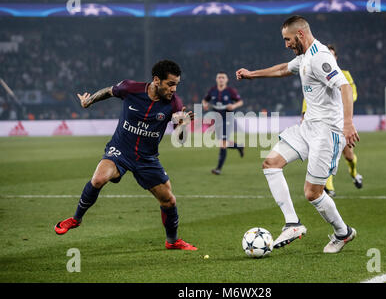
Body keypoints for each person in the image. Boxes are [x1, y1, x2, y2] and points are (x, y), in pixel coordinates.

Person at [236, 15, 359, 253]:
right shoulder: (305, 56)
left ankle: (342, 233)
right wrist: (253, 74)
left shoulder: (320, 57)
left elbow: (344, 85)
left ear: (300, 34)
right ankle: (293, 223)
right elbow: (283, 68)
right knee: (271, 163)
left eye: (287, 39)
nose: (286, 44)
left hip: (328, 131)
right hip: (308, 127)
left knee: (312, 193)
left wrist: (348, 123)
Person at [54, 60, 198, 251]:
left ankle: (172, 241)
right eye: (170, 84)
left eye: (176, 84)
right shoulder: (131, 88)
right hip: (120, 151)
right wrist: (88, 101)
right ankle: (75, 219)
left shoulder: (174, 103)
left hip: (147, 159)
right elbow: (108, 91)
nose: (174, 89)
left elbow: (180, 140)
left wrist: (183, 126)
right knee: (98, 179)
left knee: (169, 201)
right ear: (156, 80)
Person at [301, 44, 363, 197]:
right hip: (324, 123)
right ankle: (329, 187)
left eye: (332, 55)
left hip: (341, 121)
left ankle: (354, 174)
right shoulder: (315, 74)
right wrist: (304, 116)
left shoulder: (344, 75)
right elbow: (308, 99)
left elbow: (352, 94)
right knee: (326, 155)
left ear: (335, 58)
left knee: (348, 155)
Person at [202, 71, 244, 175]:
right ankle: (238, 146)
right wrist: (205, 105)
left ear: (226, 80)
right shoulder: (212, 90)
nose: (221, 79)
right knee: (221, 142)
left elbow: (240, 101)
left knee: (223, 143)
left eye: (223, 78)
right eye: (219, 77)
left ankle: (218, 169)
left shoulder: (230, 91)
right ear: (216, 79)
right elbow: (204, 100)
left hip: (228, 118)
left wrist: (233, 106)